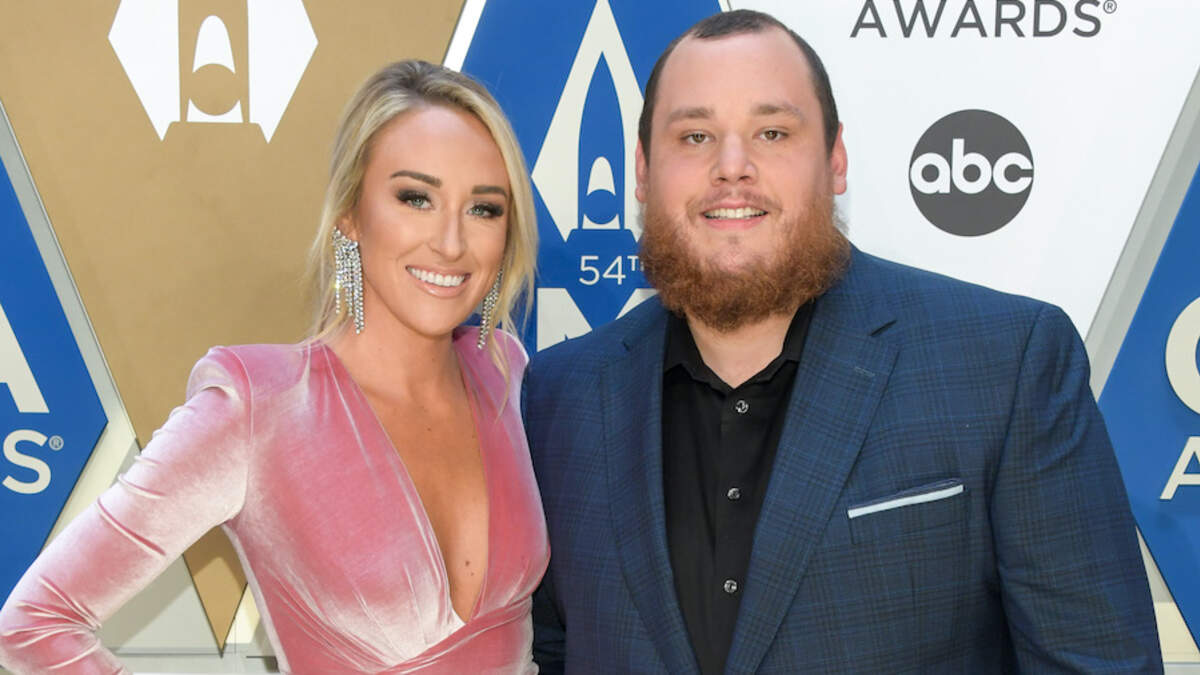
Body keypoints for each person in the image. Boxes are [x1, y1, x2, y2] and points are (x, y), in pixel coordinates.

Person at [524, 9, 1160, 674]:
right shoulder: (559, 398)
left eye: (772, 132)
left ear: (835, 161)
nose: (732, 167)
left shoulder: (1006, 364)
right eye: (695, 136)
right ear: (642, 170)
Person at [0, 60, 546, 673]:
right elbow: (34, 621)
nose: (450, 242)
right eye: (415, 198)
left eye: (483, 209)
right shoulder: (259, 407)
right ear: (350, 215)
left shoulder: (506, 375)